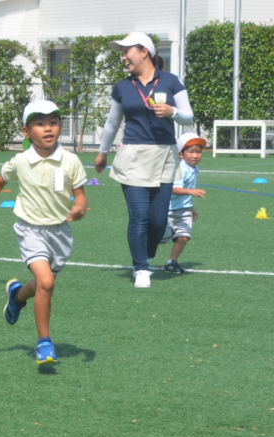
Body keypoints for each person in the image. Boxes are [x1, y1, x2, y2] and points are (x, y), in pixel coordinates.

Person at [0, 100, 87, 364]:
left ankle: (16, 296)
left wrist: (80, 209)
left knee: (41, 284)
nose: (48, 128)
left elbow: (80, 196)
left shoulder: (71, 161)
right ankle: (44, 343)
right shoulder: (20, 161)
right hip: (30, 230)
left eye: (52, 122)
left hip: (60, 234)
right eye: (39, 124)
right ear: (26, 132)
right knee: (47, 282)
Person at [94, 33, 194, 289]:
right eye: (122, 52)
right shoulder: (122, 86)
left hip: (165, 155)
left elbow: (188, 117)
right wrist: (103, 151)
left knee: (159, 221)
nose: (123, 56)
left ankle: (148, 250)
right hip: (133, 155)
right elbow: (113, 122)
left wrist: (172, 112)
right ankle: (141, 268)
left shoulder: (171, 82)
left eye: (127, 51)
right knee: (138, 217)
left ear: (144, 51)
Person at [160, 132, 206, 273]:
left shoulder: (194, 169)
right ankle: (145, 257)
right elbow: (173, 189)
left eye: (198, 152)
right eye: (191, 152)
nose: (195, 155)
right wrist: (191, 192)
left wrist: (191, 206)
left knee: (184, 237)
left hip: (183, 210)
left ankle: (171, 262)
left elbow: (187, 189)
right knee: (163, 239)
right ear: (181, 154)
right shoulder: (180, 168)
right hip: (168, 209)